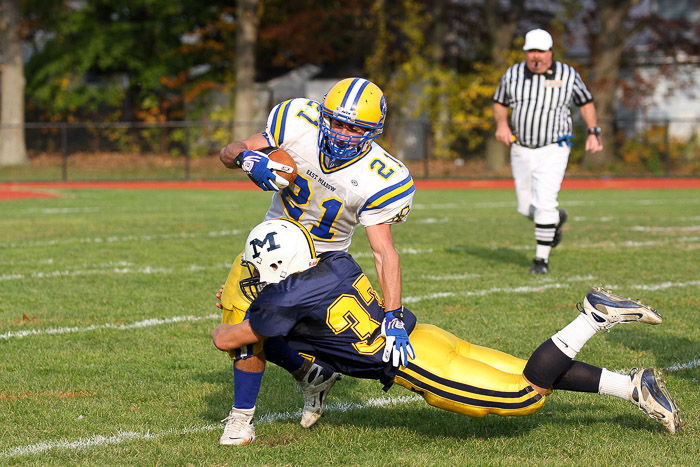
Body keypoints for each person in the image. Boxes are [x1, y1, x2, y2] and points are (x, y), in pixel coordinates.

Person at [211, 218, 682, 444]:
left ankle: (591, 317)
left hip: (414, 366)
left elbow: (228, 338)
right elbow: (304, 321)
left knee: (527, 395)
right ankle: (632, 387)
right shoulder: (336, 259)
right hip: (421, 334)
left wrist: (243, 303)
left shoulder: (281, 299)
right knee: (528, 369)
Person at [215, 78, 416, 445]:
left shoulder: (383, 175)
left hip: (322, 259)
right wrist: (247, 157)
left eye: (355, 127)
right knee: (242, 328)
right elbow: (230, 150)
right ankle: (243, 417)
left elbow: (384, 251)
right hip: (270, 243)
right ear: (323, 115)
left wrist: (394, 314)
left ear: (374, 131)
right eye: (336, 122)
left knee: (268, 328)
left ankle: (311, 372)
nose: (342, 133)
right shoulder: (296, 119)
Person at [492, 28, 604, 274]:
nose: (536, 57)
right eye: (531, 51)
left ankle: (540, 260)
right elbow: (500, 102)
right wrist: (502, 124)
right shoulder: (513, 74)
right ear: (525, 53)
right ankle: (555, 221)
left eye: (541, 52)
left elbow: (585, 101)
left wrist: (593, 130)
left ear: (550, 52)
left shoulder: (567, 74)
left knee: (544, 203)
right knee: (525, 208)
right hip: (521, 147)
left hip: (554, 146)